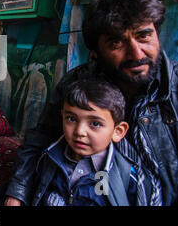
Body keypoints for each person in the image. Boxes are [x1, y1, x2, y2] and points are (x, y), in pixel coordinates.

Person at [4, 0, 178, 206]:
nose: (137, 53)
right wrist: (16, 193)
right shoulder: (77, 83)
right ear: (95, 53)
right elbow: (40, 139)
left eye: (144, 36)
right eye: (117, 43)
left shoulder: (174, 87)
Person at [30, 78, 159, 206]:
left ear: (118, 131)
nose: (80, 131)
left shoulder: (126, 177)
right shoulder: (49, 159)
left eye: (95, 123)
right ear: (62, 116)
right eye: (71, 119)